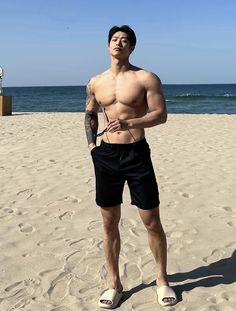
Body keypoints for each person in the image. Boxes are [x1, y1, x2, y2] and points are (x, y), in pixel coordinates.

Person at [84, 25, 177, 308]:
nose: (119, 43)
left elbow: (160, 115)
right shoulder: (95, 81)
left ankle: (161, 281)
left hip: (137, 155)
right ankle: (114, 284)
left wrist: (130, 123)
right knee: (109, 223)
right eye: (114, 39)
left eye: (125, 40)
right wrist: (92, 148)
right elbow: (90, 114)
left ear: (132, 47)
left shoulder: (146, 77)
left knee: (151, 221)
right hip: (106, 156)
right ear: (107, 45)